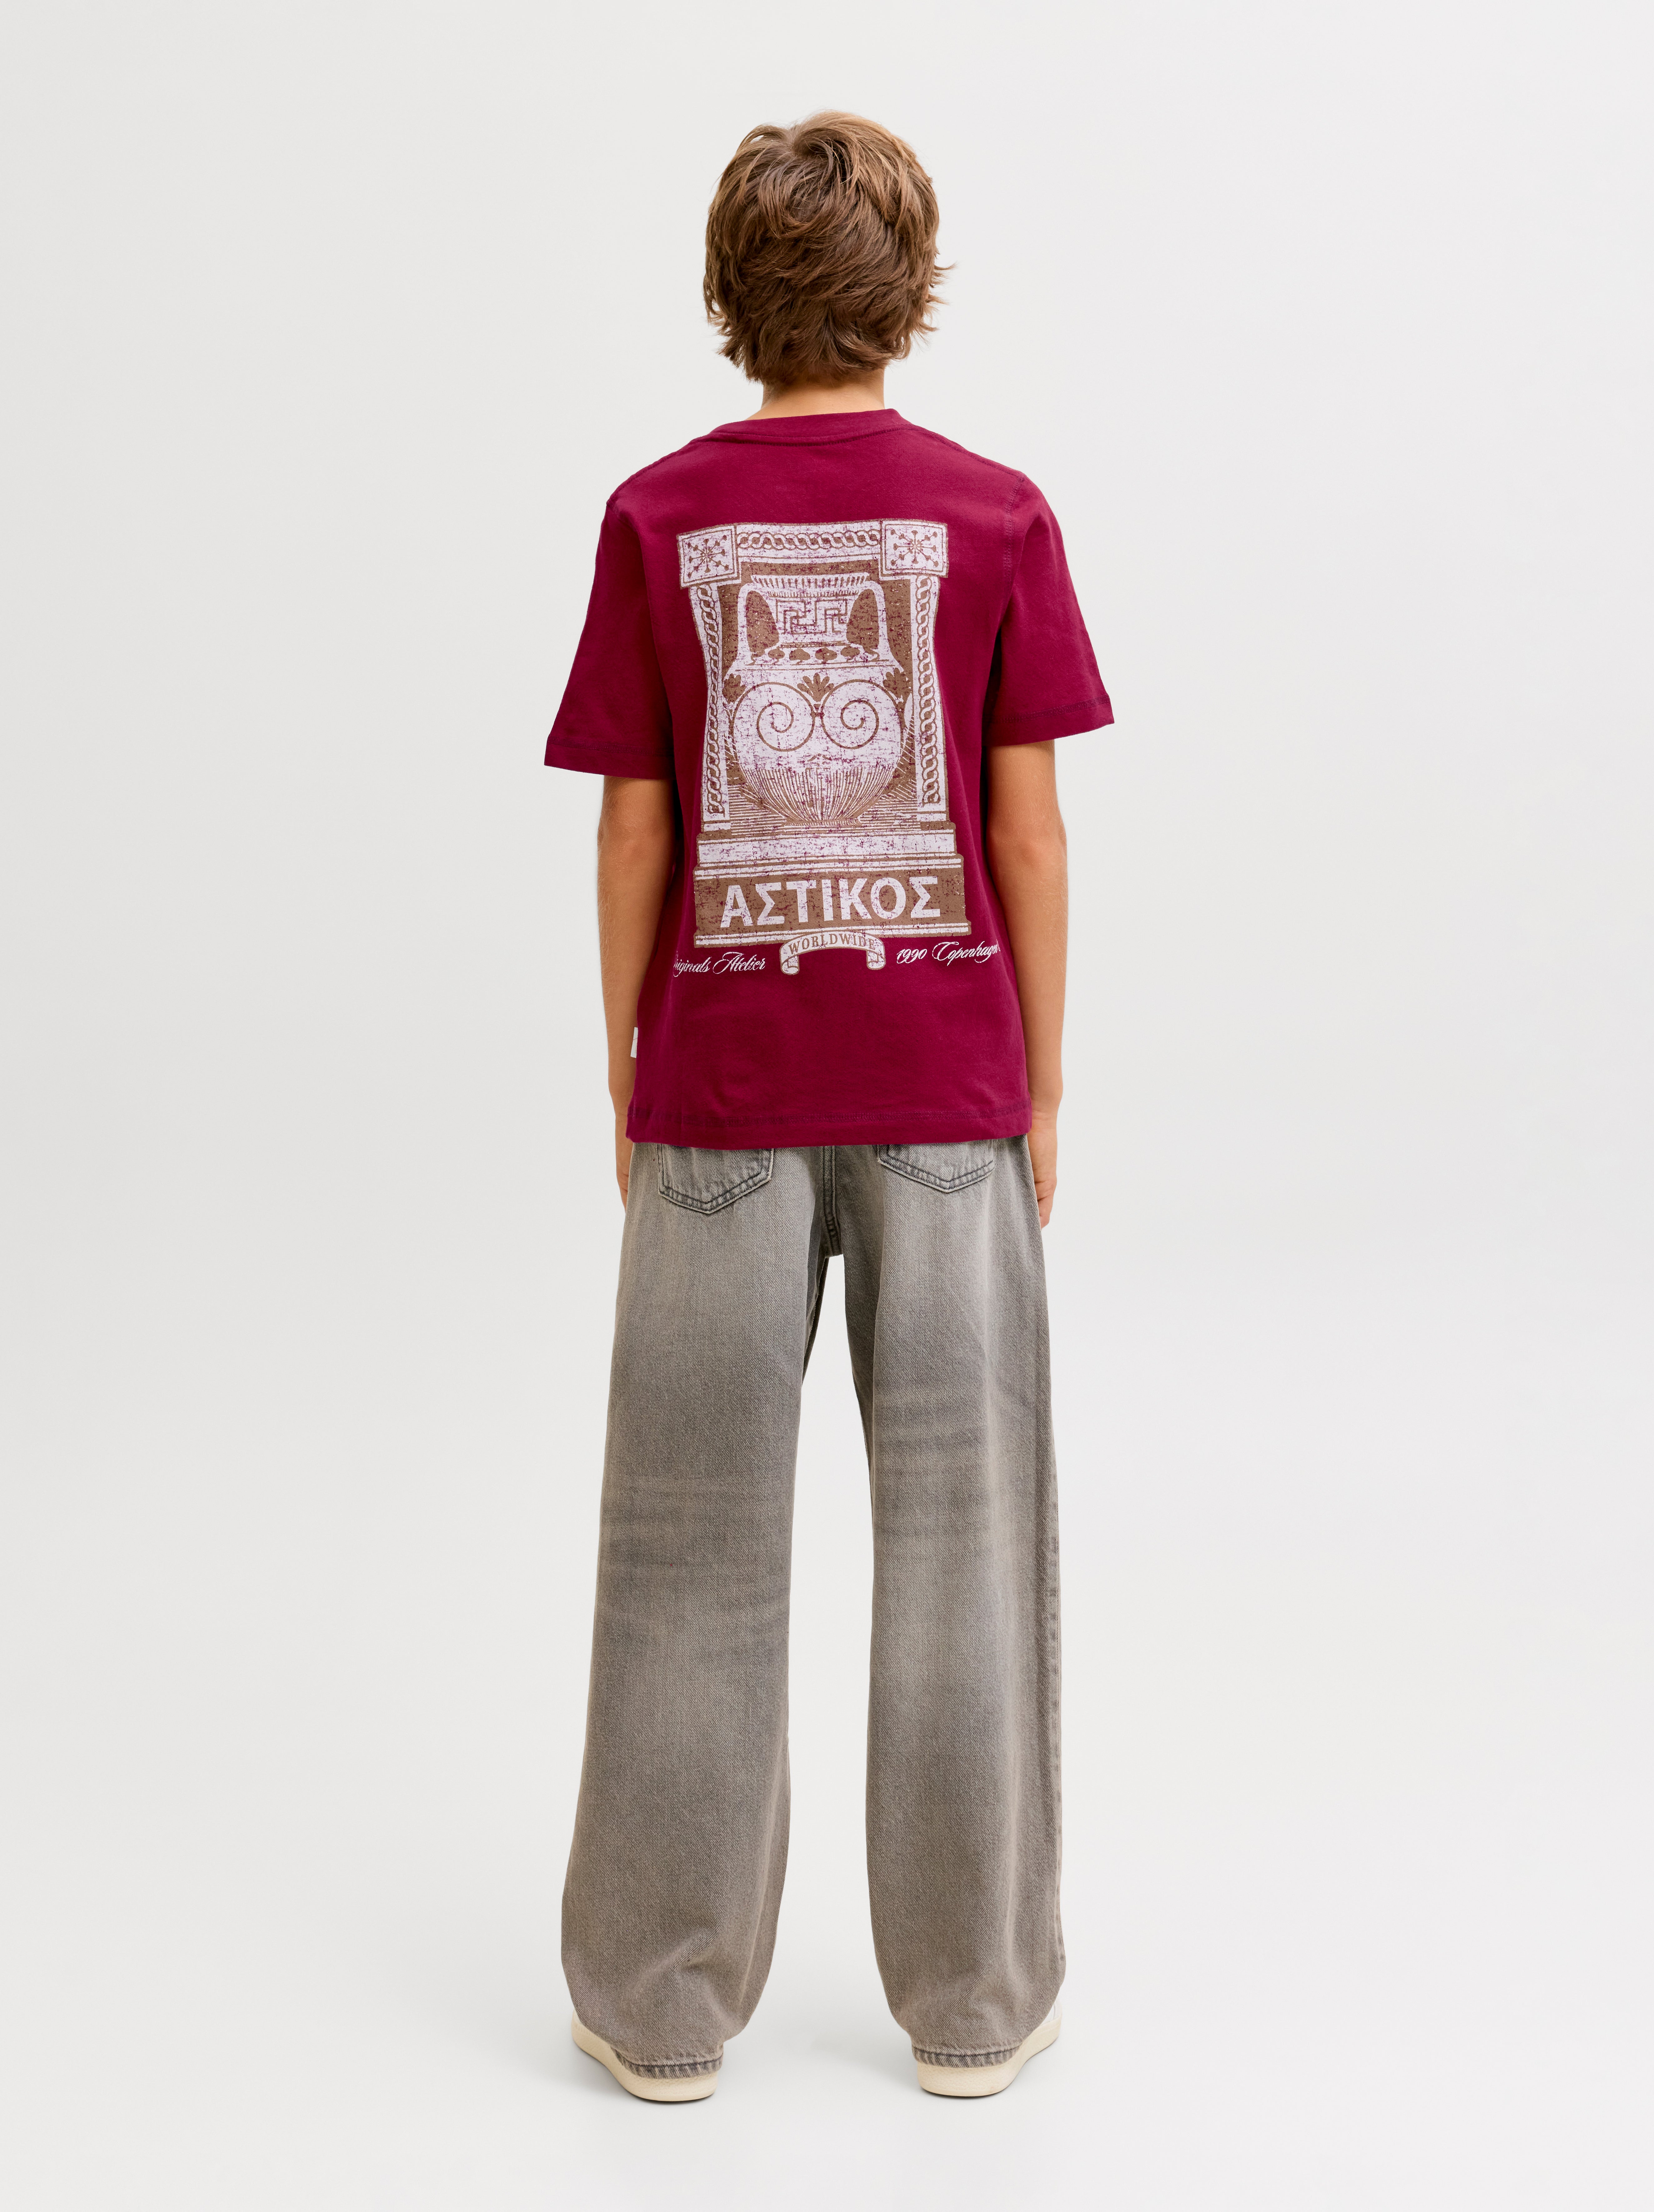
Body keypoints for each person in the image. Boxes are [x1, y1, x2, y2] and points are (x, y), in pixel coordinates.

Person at [544, 112, 1111, 2102]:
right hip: (950, 1094)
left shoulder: (656, 518)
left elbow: (635, 834)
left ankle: (659, 2004)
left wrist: (628, 1069)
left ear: (731, 298)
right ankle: (976, 2000)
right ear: (911, 292)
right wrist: (1044, 1083)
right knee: (967, 1538)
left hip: (720, 1091)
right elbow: (1027, 837)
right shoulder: (997, 516)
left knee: (687, 1546)